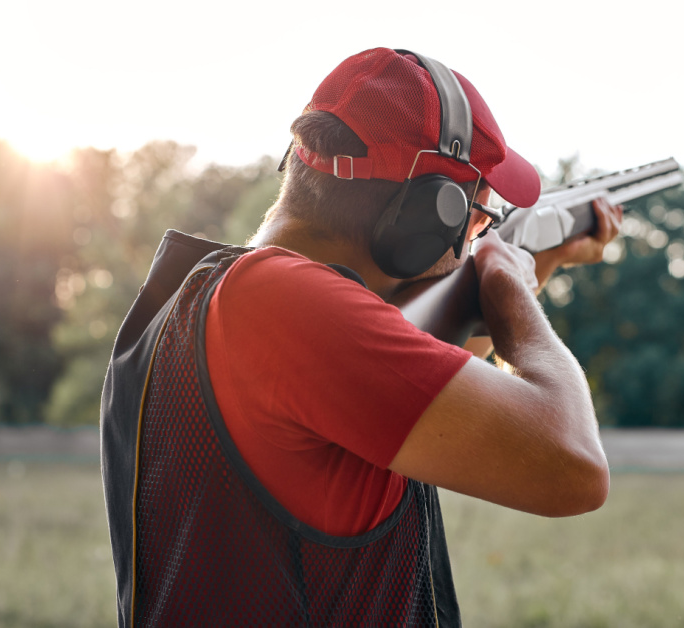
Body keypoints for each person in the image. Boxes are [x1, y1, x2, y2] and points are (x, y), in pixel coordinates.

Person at [100, 47, 620, 627]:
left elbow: (433, 383)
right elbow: (572, 467)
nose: (476, 242)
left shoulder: (207, 299)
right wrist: (510, 287)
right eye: (477, 221)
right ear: (429, 217)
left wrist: (535, 265)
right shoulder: (284, 305)